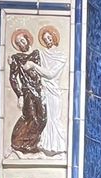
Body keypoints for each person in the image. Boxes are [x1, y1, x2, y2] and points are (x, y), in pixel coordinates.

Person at [8, 29, 46, 155]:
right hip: (28, 91)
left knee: (42, 117)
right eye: (18, 43)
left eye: (22, 41)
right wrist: (20, 95)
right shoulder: (16, 58)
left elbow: (45, 70)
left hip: (40, 90)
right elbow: (13, 77)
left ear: (28, 39)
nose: (21, 44)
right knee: (31, 117)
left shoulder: (37, 54)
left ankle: (32, 143)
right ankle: (19, 144)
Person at [33, 25, 67, 156]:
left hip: (53, 90)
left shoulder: (60, 56)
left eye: (49, 37)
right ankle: (46, 145)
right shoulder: (41, 54)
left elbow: (50, 74)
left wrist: (34, 66)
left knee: (54, 117)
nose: (47, 40)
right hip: (43, 90)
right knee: (45, 118)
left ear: (54, 37)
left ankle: (58, 146)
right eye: (45, 38)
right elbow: (27, 57)